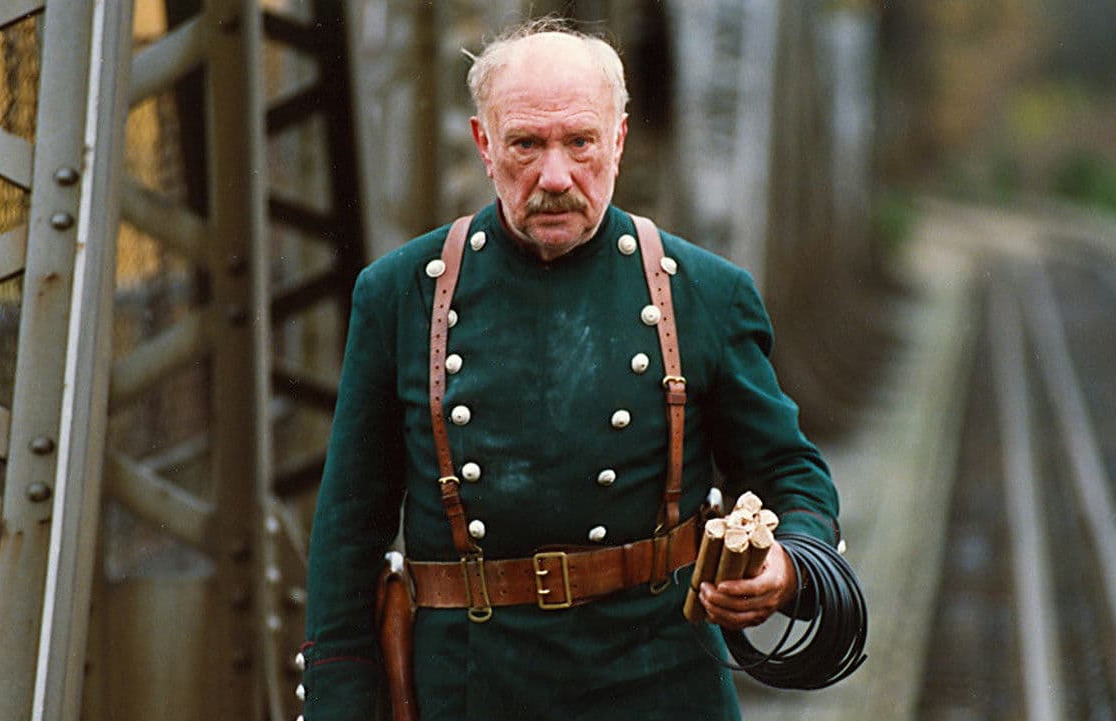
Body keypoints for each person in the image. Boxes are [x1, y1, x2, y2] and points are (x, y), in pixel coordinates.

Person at [301, 18, 840, 721]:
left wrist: (788, 565)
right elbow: (348, 535)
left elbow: (791, 472)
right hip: (470, 687)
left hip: (660, 681)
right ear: (484, 144)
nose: (554, 177)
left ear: (618, 140)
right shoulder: (400, 296)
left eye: (580, 142)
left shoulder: (704, 294)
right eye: (525, 144)